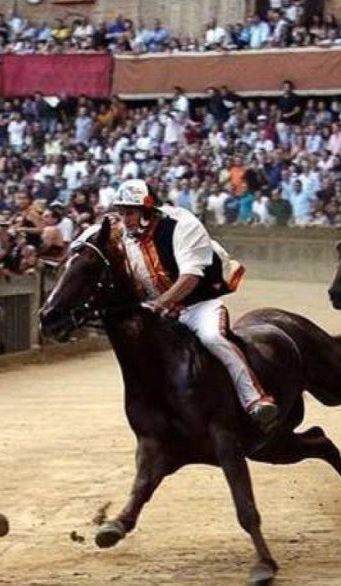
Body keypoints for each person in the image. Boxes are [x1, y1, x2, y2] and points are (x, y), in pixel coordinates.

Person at [111, 178, 277, 428]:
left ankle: (254, 398)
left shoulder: (181, 224)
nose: (125, 220)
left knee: (212, 338)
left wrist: (159, 304)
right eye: (121, 213)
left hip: (198, 306)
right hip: (161, 313)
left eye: (130, 213)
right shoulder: (125, 236)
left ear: (147, 210)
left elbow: (190, 277)